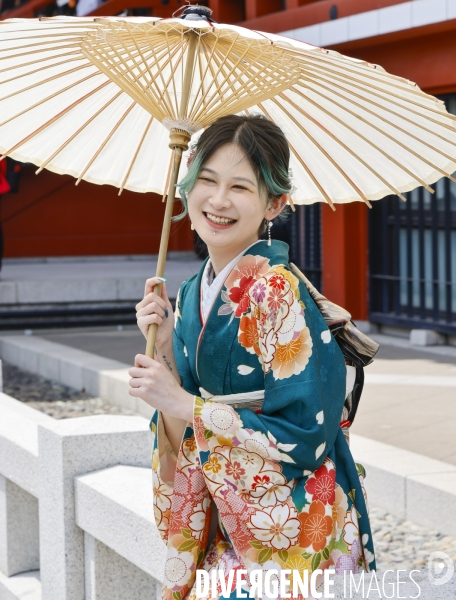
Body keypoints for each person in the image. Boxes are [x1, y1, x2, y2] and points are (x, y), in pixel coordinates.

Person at [129, 115, 376, 600]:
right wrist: (162, 349)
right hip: (227, 514)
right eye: (206, 180)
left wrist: (184, 404)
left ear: (274, 203)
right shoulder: (190, 290)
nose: (218, 201)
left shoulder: (275, 290)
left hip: (292, 524)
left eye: (240, 186)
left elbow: (306, 437)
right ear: (186, 188)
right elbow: (186, 433)